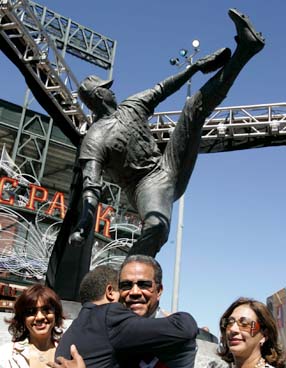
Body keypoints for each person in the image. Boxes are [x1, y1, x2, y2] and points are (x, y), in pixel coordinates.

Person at [68, 8, 265, 259]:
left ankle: (246, 49)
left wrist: (195, 67)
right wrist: (84, 223)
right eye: (106, 89)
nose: (111, 91)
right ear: (98, 95)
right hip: (144, 185)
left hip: (166, 163)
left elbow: (163, 88)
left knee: (193, 106)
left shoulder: (131, 105)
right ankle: (130, 276)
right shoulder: (94, 138)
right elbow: (90, 187)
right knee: (156, 225)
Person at [31, 259, 198, 368]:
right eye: (126, 285)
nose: (134, 292)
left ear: (159, 291)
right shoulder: (107, 326)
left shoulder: (177, 342)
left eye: (144, 284)